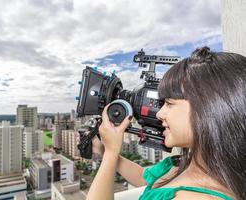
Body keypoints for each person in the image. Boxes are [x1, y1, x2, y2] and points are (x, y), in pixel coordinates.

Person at [85, 47, 246, 200]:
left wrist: (112, 153)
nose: (160, 113)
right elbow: (144, 177)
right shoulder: (183, 165)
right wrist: (105, 150)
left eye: (169, 103)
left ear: (208, 109)